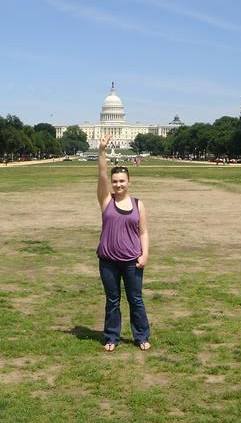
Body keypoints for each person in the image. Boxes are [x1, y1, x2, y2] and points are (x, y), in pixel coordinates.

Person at [96, 134, 151, 352]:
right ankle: (112, 337)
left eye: (122, 181)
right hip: (108, 260)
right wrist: (101, 152)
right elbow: (101, 176)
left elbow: (144, 232)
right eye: (115, 181)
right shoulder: (106, 200)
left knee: (135, 299)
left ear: (129, 182)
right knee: (112, 300)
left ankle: (141, 336)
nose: (118, 184)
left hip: (131, 261)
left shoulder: (138, 204)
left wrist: (145, 254)